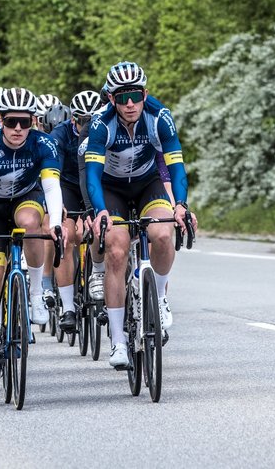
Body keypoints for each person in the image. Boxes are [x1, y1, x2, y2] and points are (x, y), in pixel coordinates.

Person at [84, 61, 197, 368]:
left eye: (135, 95)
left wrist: (180, 204)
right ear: (111, 99)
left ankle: (158, 298)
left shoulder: (160, 117)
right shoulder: (101, 123)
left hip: (148, 184)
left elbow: (176, 165)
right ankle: (118, 342)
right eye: (122, 98)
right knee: (117, 250)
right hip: (111, 188)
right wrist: (100, 211)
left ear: (145, 94)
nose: (130, 104)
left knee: (162, 233)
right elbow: (92, 174)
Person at [0, 87, 65, 389]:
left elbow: (52, 188)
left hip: (25, 200)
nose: (18, 129)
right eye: (11, 122)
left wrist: (56, 223)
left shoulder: (44, 144)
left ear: (33, 120)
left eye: (24, 122)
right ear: (0, 120)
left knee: (32, 223)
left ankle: (35, 292)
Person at [45, 90, 104, 331]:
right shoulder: (60, 135)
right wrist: (57, 205)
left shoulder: (105, 130)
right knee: (66, 237)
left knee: (101, 231)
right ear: (73, 119)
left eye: (92, 120)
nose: (86, 125)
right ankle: (68, 307)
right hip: (67, 186)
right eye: (82, 120)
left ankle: (101, 284)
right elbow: (53, 172)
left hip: (96, 183)